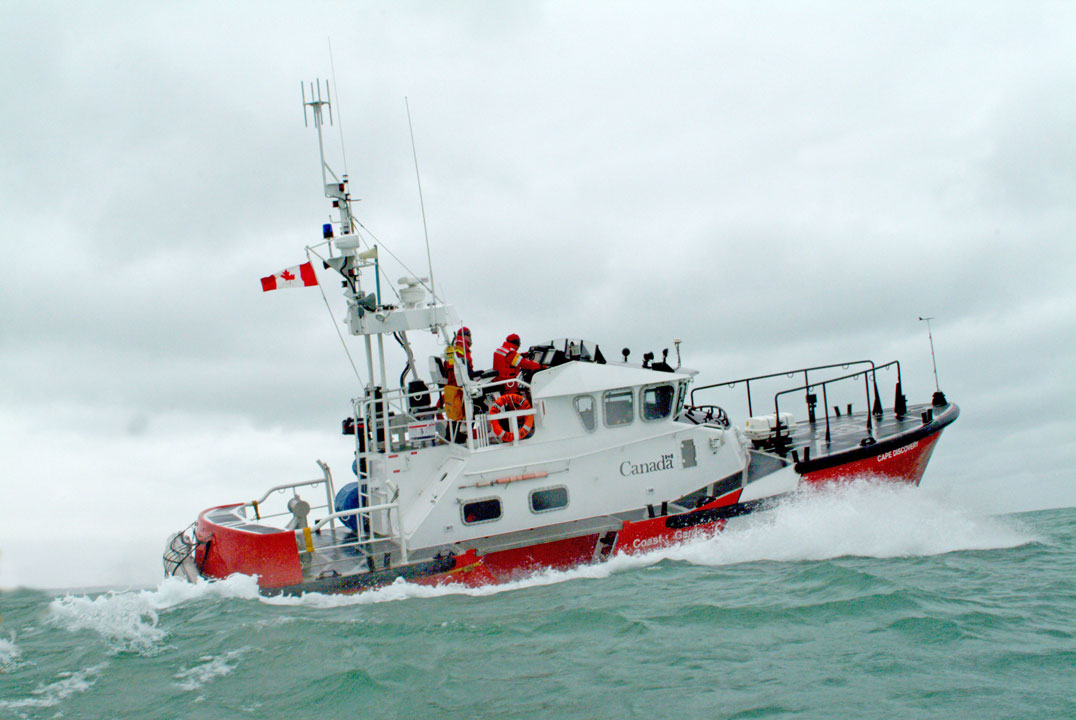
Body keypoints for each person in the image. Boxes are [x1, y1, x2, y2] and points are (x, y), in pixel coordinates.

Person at [443, 327, 473, 424]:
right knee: (460, 409)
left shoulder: (457, 346)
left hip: (457, 381)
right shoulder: (461, 347)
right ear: (465, 336)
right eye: (469, 335)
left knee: (457, 411)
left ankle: (459, 432)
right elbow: (462, 364)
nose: (471, 338)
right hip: (459, 382)